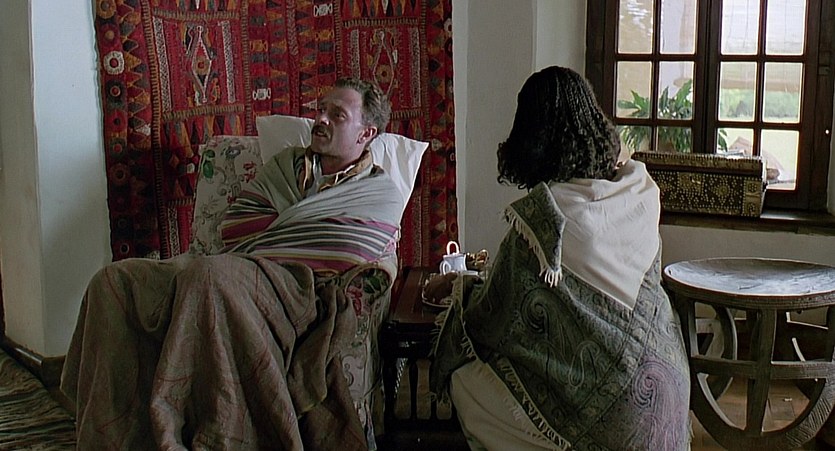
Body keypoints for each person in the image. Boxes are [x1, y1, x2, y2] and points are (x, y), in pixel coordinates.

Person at [61, 78, 402, 450]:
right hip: (235, 265)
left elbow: (347, 251)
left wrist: (274, 235)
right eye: (320, 110)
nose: (320, 119)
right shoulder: (285, 166)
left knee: (208, 275)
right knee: (115, 280)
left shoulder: (379, 191)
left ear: (366, 133)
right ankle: (108, 438)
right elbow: (236, 226)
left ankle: (200, 436)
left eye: (337, 115)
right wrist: (292, 234)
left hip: (300, 289)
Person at [426, 66, 691, 450]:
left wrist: (458, 286)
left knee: (466, 380)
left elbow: (488, 319)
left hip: (618, 423)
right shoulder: (639, 192)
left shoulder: (544, 221)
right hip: (668, 403)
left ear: (530, 137)